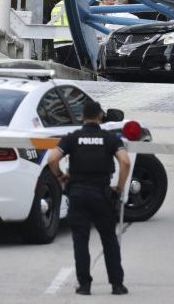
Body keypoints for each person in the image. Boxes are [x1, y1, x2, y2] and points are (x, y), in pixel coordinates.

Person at [47, 100, 131, 296]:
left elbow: (52, 159)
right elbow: (125, 162)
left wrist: (60, 176)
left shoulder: (72, 138)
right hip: (101, 194)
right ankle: (117, 285)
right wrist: (118, 187)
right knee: (109, 239)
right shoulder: (109, 138)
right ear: (100, 116)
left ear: (82, 117)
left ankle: (84, 285)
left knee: (80, 240)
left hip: (77, 193)